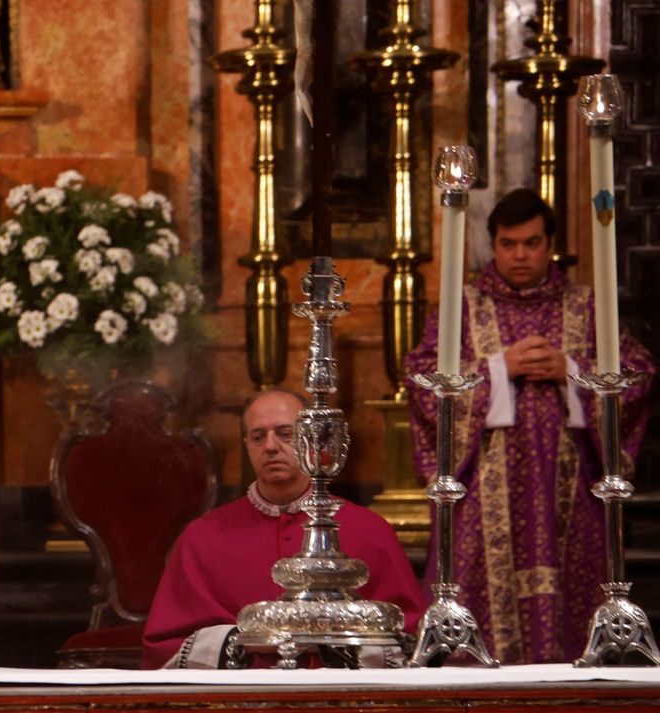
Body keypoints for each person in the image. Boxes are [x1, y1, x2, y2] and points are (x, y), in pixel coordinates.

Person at [405, 189, 653, 664]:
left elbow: (638, 375)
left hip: (571, 492)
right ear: (492, 246)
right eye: (508, 243)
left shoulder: (587, 305)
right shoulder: (463, 309)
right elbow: (422, 382)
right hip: (483, 497)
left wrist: (574, 372)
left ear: (550, 244)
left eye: (532, 243)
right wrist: (500, 369)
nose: (520, 255)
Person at [142, 389, 424, 668]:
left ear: (313, 441)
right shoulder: (202, 538)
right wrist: (247, 640)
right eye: (258, 436)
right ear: (247, 445)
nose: (271, 446)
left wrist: (330, 641)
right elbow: (166, 647)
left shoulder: (370, 531)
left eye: (285, 433)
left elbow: (407, 639)